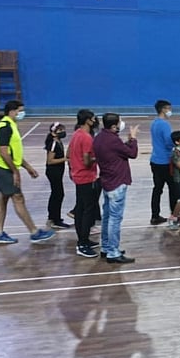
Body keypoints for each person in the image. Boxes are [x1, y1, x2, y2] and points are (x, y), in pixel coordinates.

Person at [0, 100, 56, 244]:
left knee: (2, 198)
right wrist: (15, 171)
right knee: (18, 198)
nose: (22, 114)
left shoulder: (11, 125)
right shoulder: (5, 127)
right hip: (5, 170)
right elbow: (4, 152)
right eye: (20, 111)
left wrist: (27, 167)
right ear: (12, 111)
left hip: (5, 169)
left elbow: (14, 153)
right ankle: (34, 232)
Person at [93, 113, 138, 264]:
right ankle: (113, 252)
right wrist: (133, 139)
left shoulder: (99, 137)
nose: (121, 124)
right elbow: (132, 153)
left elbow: (118, 151)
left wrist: (127, 142)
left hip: (106, 181)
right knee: (115, 219)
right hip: (117, 182)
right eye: (119, 122)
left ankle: (106, 247)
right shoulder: (113, 140)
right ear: (114, 126)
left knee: (107, 217)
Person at [69, 110, 101, 257]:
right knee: (88, 211)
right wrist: (99, 157)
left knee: (81, 209)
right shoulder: (87, 137)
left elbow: (70, 154)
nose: (95, 121)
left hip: (78, 176)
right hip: (87, 177)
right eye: (93, 119)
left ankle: (84, 239)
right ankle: (82, 244)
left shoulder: (76, 134)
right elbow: (87, 161)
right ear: (88, 120)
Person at [149, 99, 177, 227]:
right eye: (169, 109)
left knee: (157, 189)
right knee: (173, 188)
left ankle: (155, 215)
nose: (170, 111)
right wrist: (178, 143)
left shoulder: (154, 123)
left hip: (155, 160)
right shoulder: (165, 125)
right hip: (165, 161)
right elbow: (168, 142)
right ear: (163, 109)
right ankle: (174, 214)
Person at [44, 122, 70, 229]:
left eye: (62, 129)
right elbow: (50, 161)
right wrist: (65, 159)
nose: (62, 132)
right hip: (53, 172)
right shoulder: (53, 143)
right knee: (58, 194)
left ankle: (53, 217)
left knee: (56, 194)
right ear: (53, 133)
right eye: (59, 130)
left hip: (58, 172)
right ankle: (56, 219)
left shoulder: (58, 142)